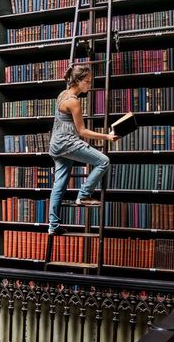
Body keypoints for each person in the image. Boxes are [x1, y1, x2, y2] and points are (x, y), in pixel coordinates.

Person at [47, 64, 126, 236]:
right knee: (104, 161)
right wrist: (108, 137)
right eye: (87, 82)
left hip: (56, 144)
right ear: (77, 81)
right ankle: (83, 195)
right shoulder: (74, 101)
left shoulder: (63, 95)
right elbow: (82, 131)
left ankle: (53, 225)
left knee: (59, 185)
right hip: (67, 143)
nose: (89, 86)